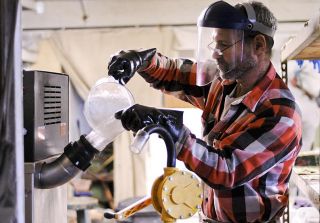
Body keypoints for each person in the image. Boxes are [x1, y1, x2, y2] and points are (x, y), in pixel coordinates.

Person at [108, 1, 302, 222]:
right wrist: (142, 61)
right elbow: (176, 74)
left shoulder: (280, 113)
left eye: (224, 46)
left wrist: (172, 129)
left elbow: (227, 169)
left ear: (258, 45)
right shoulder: (225, 83)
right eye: (215, 44)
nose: (216, 55)